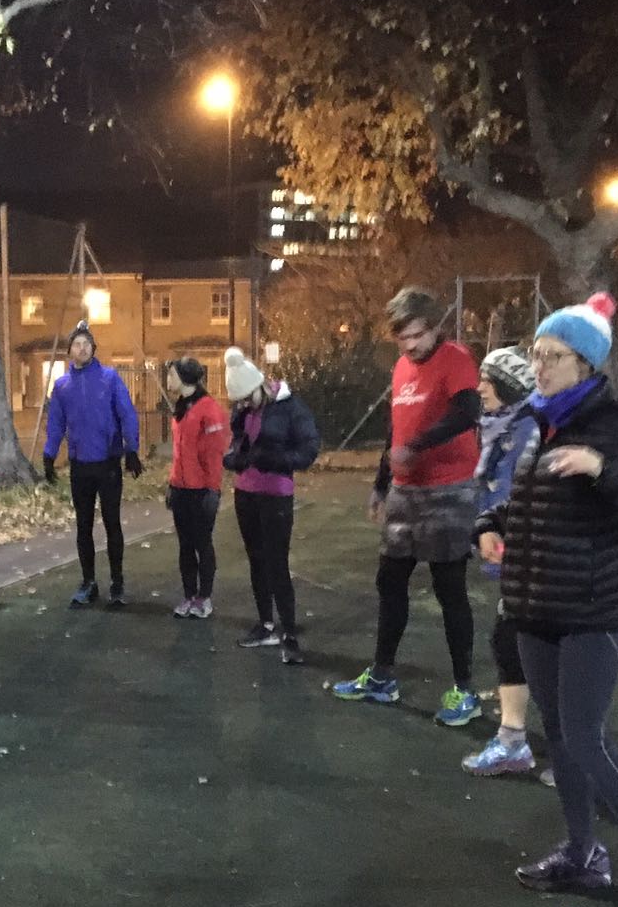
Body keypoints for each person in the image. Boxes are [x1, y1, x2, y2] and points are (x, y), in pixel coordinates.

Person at [476, 292, 618, 907]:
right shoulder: (544, 422)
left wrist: (602, 469)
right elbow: (535, 503)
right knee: (560, 737)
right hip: (538, 605)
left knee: (587, 739)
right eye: (534, 354)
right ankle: (582, 854)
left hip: (593, 610)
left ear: (588, 364)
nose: (538, 367)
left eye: (553, 357)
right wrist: (492, 523)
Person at [332, 288, 483, 725]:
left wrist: (417, 446)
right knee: (389, 580)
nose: (411, 345)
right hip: (404, 492)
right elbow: (394, 432)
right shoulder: (400, 368)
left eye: (418, 335)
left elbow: (467, 412)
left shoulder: (455, 358)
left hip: (448, 491)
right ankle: (382, 677)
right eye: (403, 338)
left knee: (449, 587)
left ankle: (464, 690)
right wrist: (381, 484)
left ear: (435, 328)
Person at [459, 347, 543, 777]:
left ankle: (574, 753)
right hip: (518, 553)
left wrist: (510, 532)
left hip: (540, 559)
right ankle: (516, 741)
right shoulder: (501, 428)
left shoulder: (530, 431)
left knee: (529, 646)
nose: (480, 388)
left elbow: (530, 496)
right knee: (510, 642)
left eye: (489, 380)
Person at [221, 346, 319, 665]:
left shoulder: (290, 408)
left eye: (248, 398)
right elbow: (238, 442)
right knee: (256, 560)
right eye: (240, 401)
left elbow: (308, 450)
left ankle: (289, 633)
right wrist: (234, 457)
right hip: (246, 492)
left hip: (276, 493)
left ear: (261, 385)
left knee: (277, 563)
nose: (245, 405)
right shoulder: (243, 409)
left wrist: (275, 459)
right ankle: (266, 624)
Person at [42, 322, 142, 608]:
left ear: (93, 349)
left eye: (86, 344)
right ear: (70, 351)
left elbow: (127, 413)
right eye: (77, 344)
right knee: (83, 526)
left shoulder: (109, 378)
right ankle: (88, 582)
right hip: (80, 465)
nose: (82, 348)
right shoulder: (62, 386)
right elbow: (56, 423)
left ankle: (117, 582)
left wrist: (131, 449)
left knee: (112, 523)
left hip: (108, 462)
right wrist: (49, 455)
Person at [166, 356, 228, 619]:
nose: (168, 380)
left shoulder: (208, 409)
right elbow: (180, 454)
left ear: (185, 378)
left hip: (201, 490)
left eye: (171, 375)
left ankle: (204, 597)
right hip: (181, 488)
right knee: (185, 545)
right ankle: (189, 594)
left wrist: (213, 490)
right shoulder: (181, 407)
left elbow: (214, 454)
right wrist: (172, 484)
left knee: (202, 543)